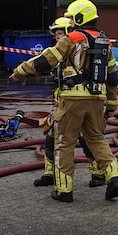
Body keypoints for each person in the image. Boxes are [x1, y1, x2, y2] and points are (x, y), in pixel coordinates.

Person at [9, 0, 118, 202]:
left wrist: (20, 70)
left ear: (80, 18)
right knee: (97, 139)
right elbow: (113, 77)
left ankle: (64, 190)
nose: (70, 22)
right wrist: (112, 105)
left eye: (71, 17)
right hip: (97, 99)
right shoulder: (106, 42)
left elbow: (46, 60)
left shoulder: (72, 38)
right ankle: (113, 176)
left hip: (72, 100)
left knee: (64, 143)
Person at [32, 16, 105, 189]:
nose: (57, 37)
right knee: (50, 139)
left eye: (59, 33)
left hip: (78, 103)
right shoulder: (60, 52)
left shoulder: (77, 51)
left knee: (88, 141)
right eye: (55, 34)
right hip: (61, 104)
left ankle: (98, 173)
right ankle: (49, 173)